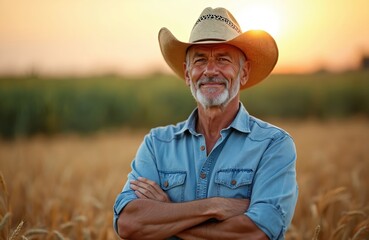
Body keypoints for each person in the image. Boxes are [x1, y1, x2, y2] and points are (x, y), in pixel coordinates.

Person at [113, 7, 298, 240]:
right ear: (188, 74)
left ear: (244, 72)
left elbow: (257, 232)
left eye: (223, 59)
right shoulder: (157, 144)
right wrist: (215, 206)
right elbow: (129, 223)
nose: (210, 71)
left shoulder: (273, 145)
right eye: (200, 60)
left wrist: (168, 213)